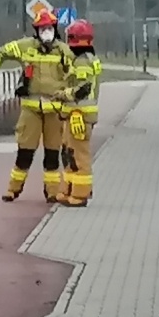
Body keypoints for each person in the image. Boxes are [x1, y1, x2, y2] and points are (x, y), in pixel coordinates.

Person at [0, 8, 76, 203]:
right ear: (36, 31)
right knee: (25, 152)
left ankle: (52, 192)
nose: (46, 32)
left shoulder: (64, 51)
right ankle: (13, 189)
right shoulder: (26, 47)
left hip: (55, 110)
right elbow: (1, 51)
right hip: (31, 109)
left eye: (49, 28)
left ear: (55, 29)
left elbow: (76, 75)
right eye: (42, 29)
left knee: (52, 154)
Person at [58, 19, 101, 206]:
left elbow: (82, 89)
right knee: (69, 154)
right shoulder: (83, 58)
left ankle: (80, 194)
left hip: (80, 115)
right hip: (75, 114)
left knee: (79, 156)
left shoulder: (82, 61)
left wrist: (63, 94)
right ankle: (69, 190)